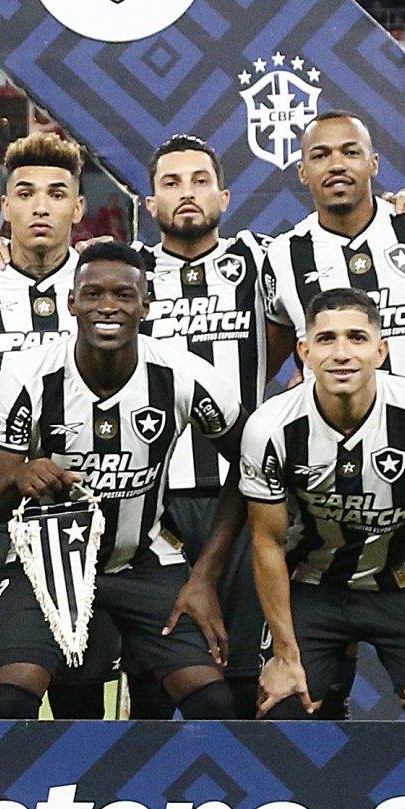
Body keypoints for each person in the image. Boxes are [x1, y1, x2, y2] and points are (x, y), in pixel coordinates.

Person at [0, 243, 241, 719]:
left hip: (146, 562)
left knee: (213, 703)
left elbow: (253, 469)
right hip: (45, 564)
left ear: (145, 305)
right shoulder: (27, 376)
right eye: (92, 294)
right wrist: (17, 478)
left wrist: (204, 576)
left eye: (123, 295)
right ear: (72, 303)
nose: (107, 307)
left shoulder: (185, 376)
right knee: (8, 703)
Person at [240, 289, 405, 722]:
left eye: (357, 339)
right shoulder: (270, 427)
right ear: (304, 352)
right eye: (326, 340)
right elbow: (265, 542)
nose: (342, 353)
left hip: (404, 586)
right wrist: (286, 656)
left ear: (381, 351)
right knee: (282, 709)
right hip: (313, 586)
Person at [0, 132, 91, 718]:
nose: (40, 206)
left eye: (57, 194)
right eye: (25, 193)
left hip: (84, 516)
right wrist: (6, 408)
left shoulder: (106, 282)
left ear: (78, 209)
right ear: (3, 206)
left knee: (81, 698)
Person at [135, 134, 272, 717]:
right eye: (170, 183)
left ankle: (244, 805)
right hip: (147, 501)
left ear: (225, 195)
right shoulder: (125, 270)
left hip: (241, 497)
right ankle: (146, 805)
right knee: (153, 681)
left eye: (198, 181)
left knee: (244, 678)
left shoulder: (265, 261)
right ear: (150, 205)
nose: (185, 193)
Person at [263, 111, 405, 384]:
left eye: (351, 152)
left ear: (373, 163)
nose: (336, 165)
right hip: (324, 426)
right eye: (320, 155)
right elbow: (275, 351)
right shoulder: (283, 254)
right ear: (303, 172)